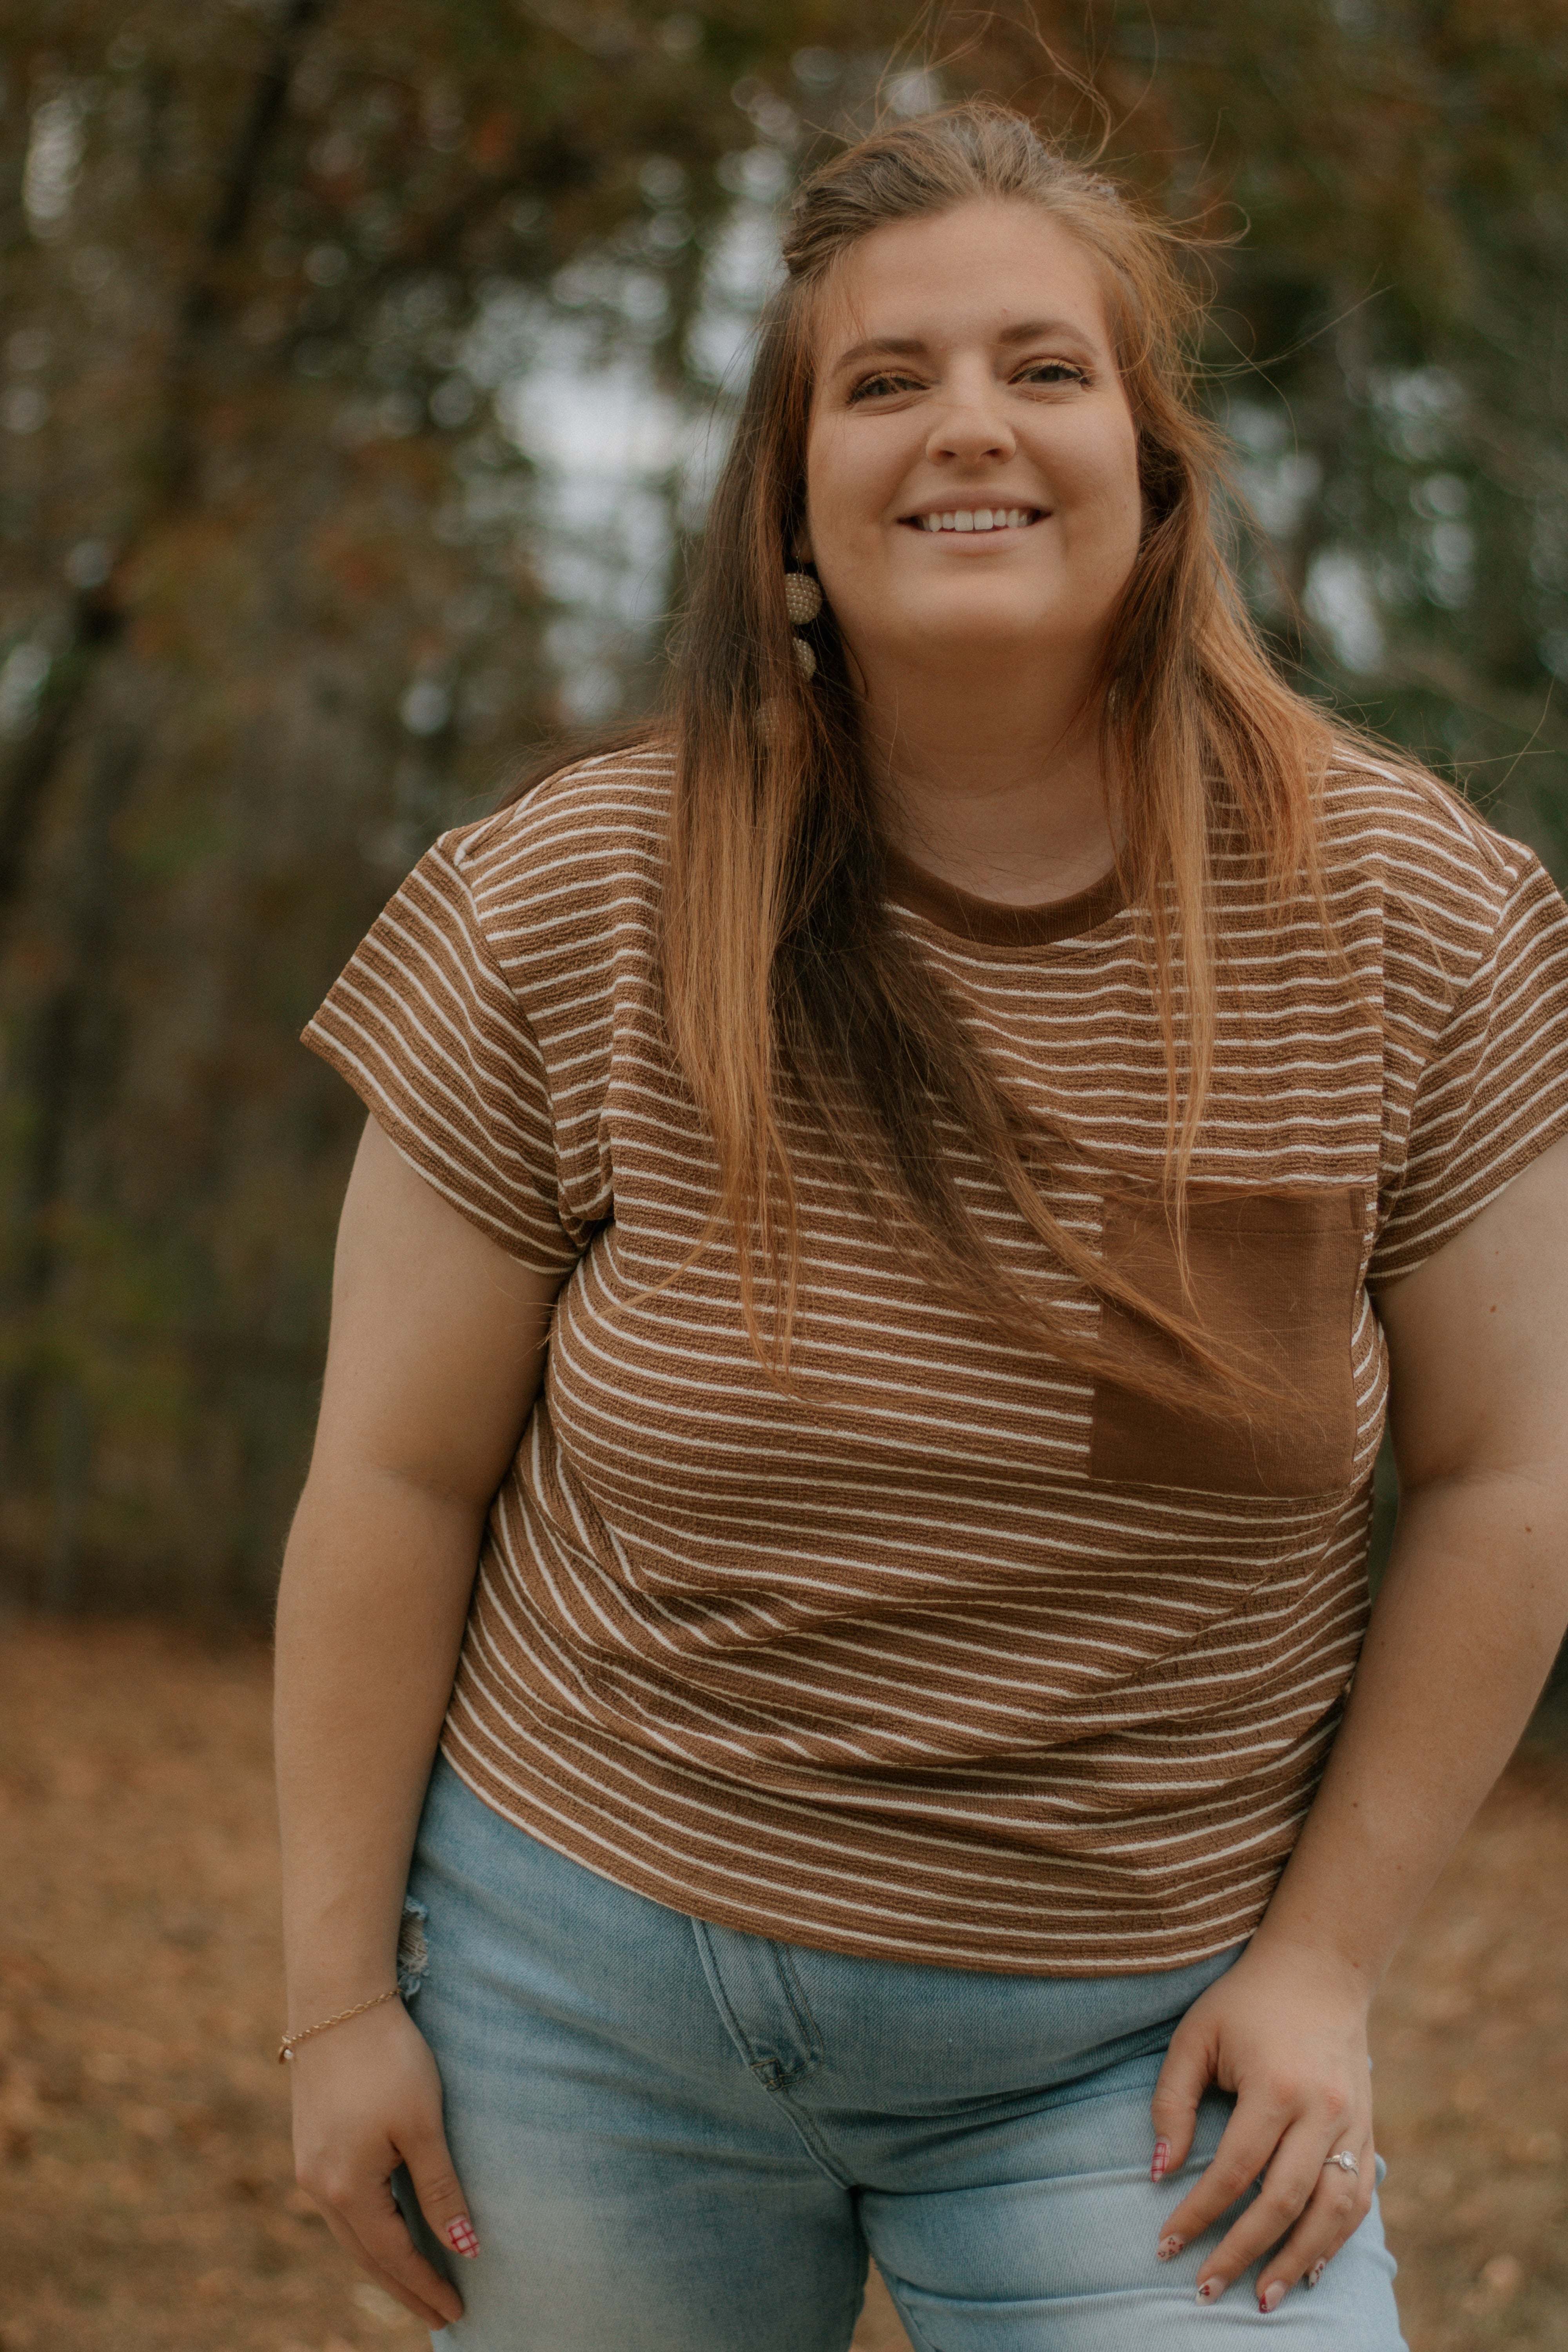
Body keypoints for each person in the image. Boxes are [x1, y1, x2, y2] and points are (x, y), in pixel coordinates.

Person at [274, 104, 1568, 2352]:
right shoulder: (570, 897)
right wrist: (332, 2006)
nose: (970, 424)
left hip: (1132, 2062)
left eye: (1045, 369)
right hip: (582, 2012)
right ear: (788, 500)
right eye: (885, 381)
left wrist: (1324, 1970)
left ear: (1156, 467)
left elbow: (1509, 1477)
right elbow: (391, 1478)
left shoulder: (1411, 915)